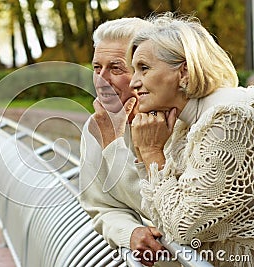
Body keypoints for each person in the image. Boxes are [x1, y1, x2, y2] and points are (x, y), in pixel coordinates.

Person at [127, 12, 254, 266]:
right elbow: (160, 217)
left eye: (144, 68)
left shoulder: (229, 118)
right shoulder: (182, 123)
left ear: (184, 71)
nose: (133, 82)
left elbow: (183, 227)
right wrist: (145, 153)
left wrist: (152, 153)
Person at [78, 18, 178, 266]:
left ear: (144, 70)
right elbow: (99, 206)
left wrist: (113, 144)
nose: (101, 80)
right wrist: (130, 232)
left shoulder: (179, 121)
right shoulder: (95, 126)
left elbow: (169, 209)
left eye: (116, 68)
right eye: (96, 68)